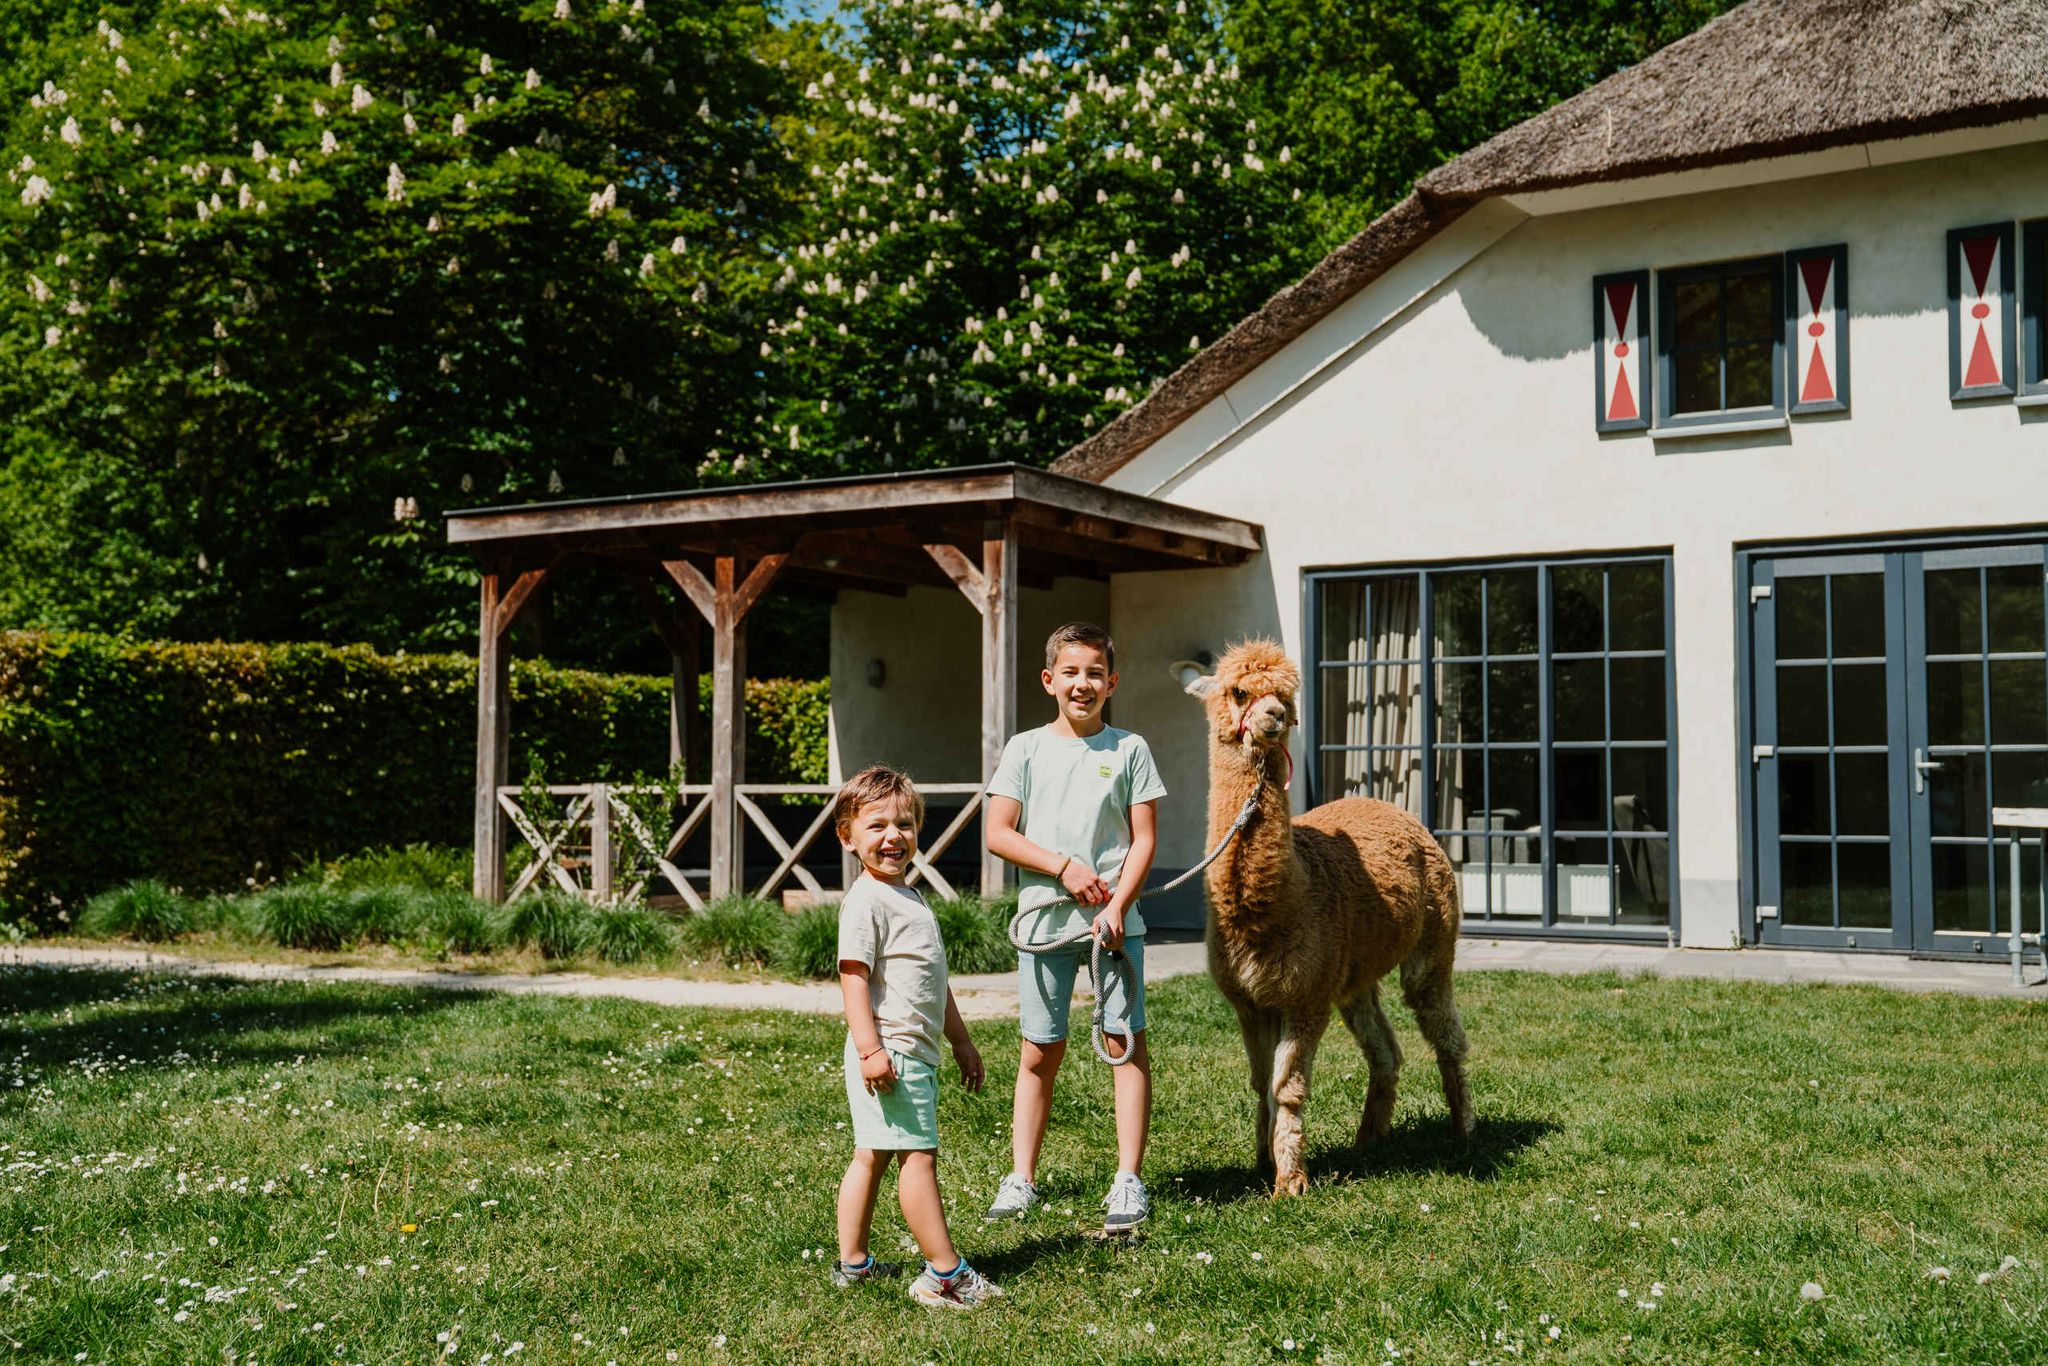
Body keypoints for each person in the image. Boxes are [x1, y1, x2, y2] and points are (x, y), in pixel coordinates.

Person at [982, 622, 1165, 1234]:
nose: (1081, 684)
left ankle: (1129, 1178)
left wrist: (1116, 908)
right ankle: (1021, 1176)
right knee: (1039, 1048)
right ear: (1049, 680)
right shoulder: (1025, 749)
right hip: (1043, 927)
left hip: (1115, 927)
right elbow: (999, 832)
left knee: (1124, 1043)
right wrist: (1062, 866)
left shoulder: (1129, 749)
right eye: (1071, 672)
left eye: (1094, 673)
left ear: (1110, 683)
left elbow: (1144, 840)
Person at [831, 764, 1002, 1309]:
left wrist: (961, 1040)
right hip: (892, 1052)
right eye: (877, 825)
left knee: (871, 1157)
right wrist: (871, 1050)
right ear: (848, 836)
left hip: (906, 1051)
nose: (892, 837)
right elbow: (853, 977)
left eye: (904, 825)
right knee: (917, 1160)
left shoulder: (907, 895)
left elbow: (933, 981)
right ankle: (945, 1275)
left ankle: (853, 1264)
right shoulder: (866, 901)